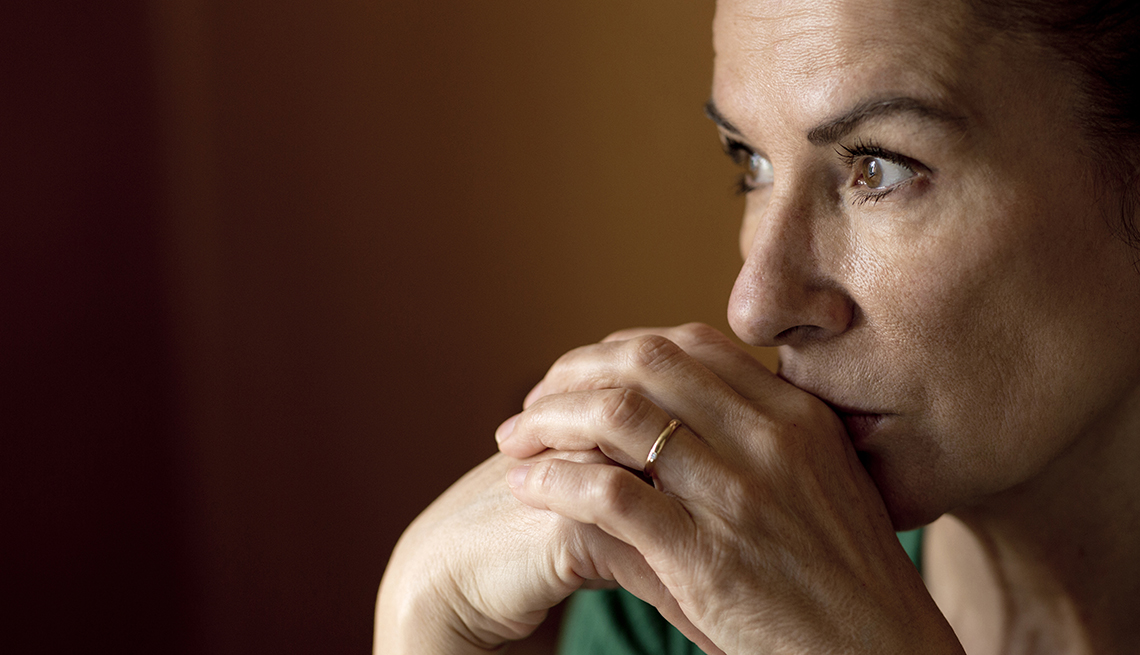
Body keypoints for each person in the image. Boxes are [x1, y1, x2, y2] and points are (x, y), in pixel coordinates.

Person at [375, 0, 1140, 652]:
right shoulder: (663, 598)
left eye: (879, 166)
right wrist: (420, 610)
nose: (756, 304)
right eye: (752, 162)